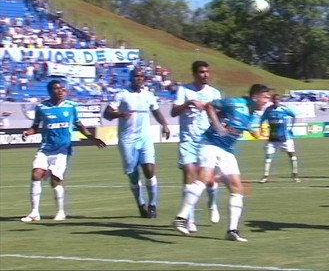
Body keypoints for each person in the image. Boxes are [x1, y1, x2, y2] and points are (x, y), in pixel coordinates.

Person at [173, 84, 271, 242]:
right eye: (265, 97)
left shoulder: (255, 113)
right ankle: (181, 218)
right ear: (255, 97)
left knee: (237, 188)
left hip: (226, 150)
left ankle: (232, 231)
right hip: (210, 145)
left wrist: (249, 130)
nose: (267, 100)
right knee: (203, 180)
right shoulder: (235, 102)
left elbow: (238, 124)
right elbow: (210, 106)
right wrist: (217, 125)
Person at [20, 80, 106, 222]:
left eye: (63, 89)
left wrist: (92, 138)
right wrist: (28, 133)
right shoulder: (41, 107)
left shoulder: (71, 107)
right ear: (50, 91)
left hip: (62, 150)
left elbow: (79, 125)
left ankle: (60, 212)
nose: (61, 91)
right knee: (36, 174)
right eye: (57, 89)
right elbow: (35, 127)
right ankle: (34, 212)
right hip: (45, 148)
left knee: (55, 180)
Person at [103, 68, 170, 218]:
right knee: (133, 176)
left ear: (144, 78)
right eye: (136, 76)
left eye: (141, 76)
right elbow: (106, 114)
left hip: (145, 138)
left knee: (149, 170)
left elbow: (156, 111)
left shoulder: (148, 95)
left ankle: (152, 204)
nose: (138, 78)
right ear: (131, 78)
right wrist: (119, 114)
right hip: (127, 140)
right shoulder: (122, 95)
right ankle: (140, 203)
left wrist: (164, 125)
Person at [171, 60, 222, 233]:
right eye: (201, 72)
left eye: (207, 71)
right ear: (194, 74)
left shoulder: (214, 93)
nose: (205, 75)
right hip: (187, 140)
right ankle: (188, 220)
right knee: (189, 175)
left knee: (209, 180)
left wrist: (210, 110)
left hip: (207, 140)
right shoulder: (184, 90)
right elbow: (173, 111)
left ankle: (212, 202)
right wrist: (189, 103)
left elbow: (220, 115)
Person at [258, 93, 301, 183]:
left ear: (279, 100)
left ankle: (295, 175)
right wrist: (261, 129)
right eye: (274, 100)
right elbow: (262, 119)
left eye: (277, 99)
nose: (276, 101)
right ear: (272, 101)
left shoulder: (284, 108)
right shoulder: (268, 110)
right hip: (272, 138)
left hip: (285, 137)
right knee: (268, 156)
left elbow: (294, 116)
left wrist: (292, 128)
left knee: (291, 155)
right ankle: (265, 176)